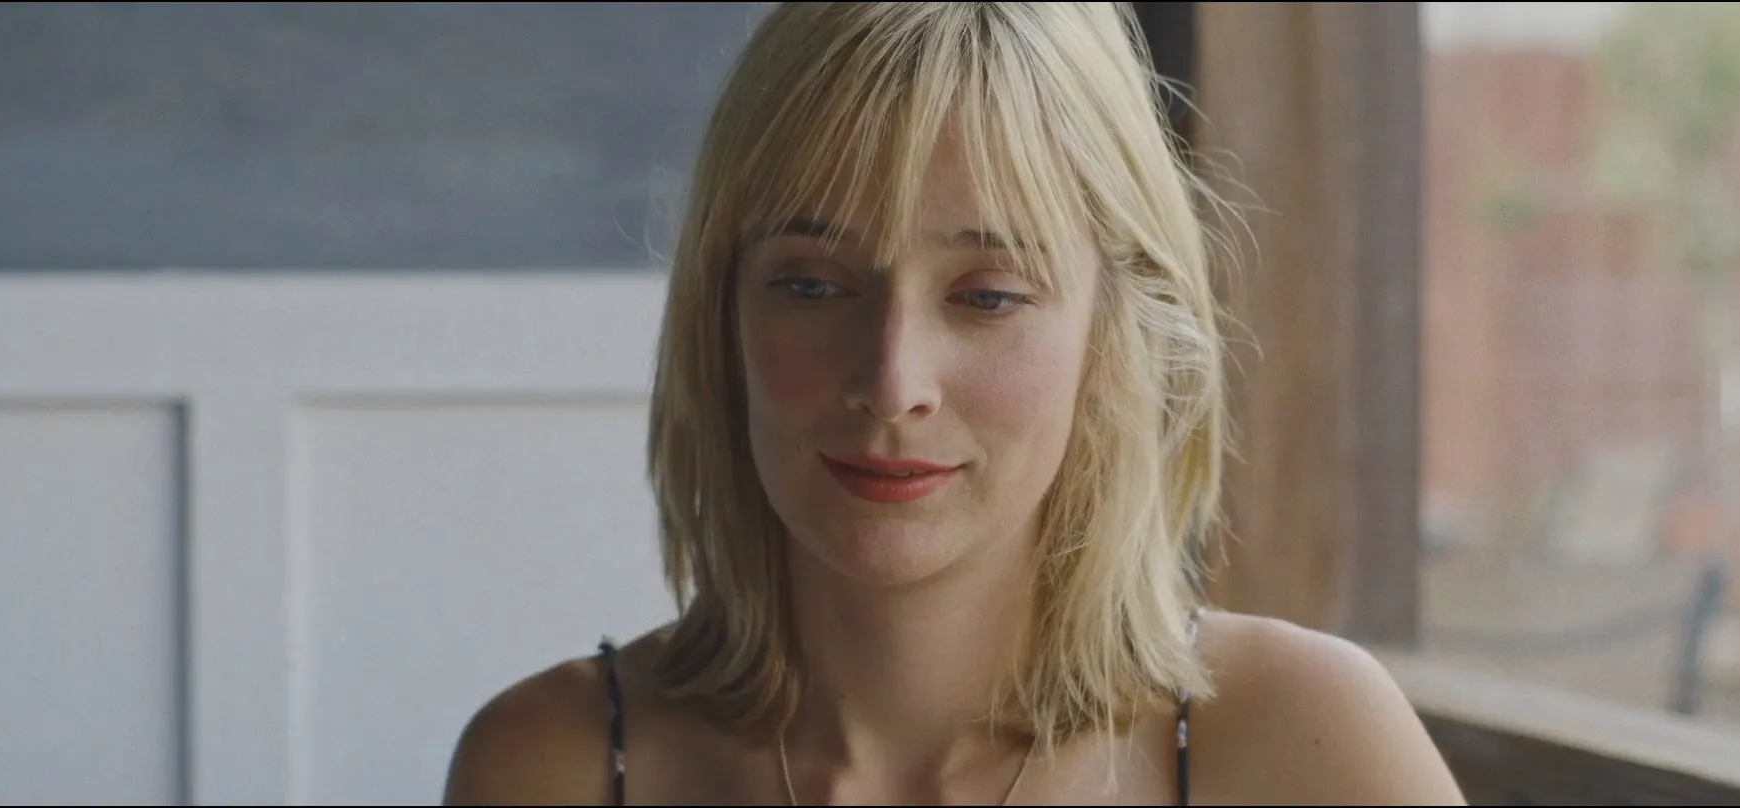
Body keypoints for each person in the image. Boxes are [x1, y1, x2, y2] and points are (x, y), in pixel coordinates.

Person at [444, 3, 1466, 804]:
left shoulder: (1303, 744)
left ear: (1115, 334)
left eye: (988, 297)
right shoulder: (554, 768)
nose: (893, 384)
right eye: (812, 284)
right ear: (722, 317)